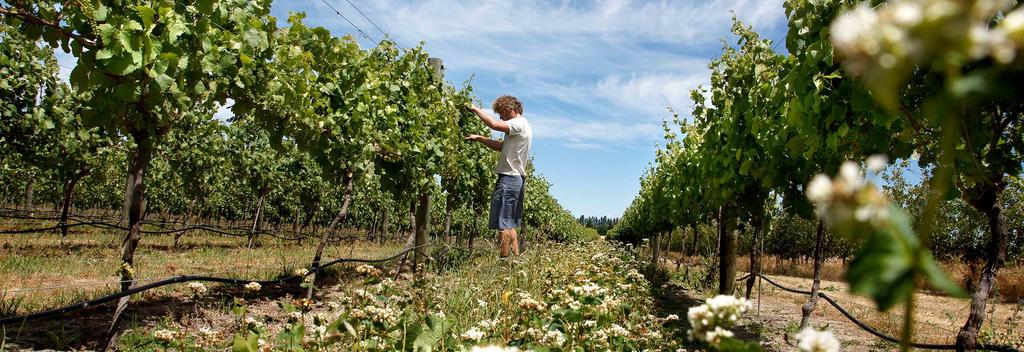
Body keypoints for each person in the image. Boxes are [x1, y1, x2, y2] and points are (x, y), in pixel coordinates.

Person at [465, 95, 532, 258]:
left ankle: (504, 263)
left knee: (503, 225)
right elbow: (500, 146)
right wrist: (480, 138)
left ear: (510, 109)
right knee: (509, 224)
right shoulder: (522, 127)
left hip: (509, 179)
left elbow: (494, 125)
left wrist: (474, 109)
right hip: (516, 179)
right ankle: (516, 260)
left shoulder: (518, 123)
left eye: (501, 113)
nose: (500, 117)